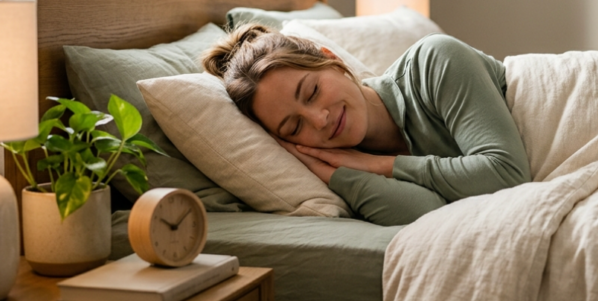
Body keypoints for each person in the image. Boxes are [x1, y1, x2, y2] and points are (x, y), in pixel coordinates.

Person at [202, 24, 531, 226]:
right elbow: (431, 215)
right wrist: (334, 174)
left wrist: (381, 165)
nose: (320, 120)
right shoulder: (349, 166)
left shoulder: (435, 60)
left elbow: (507, 175)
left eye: (313, 91)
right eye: (294, 128)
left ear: (332, 59)